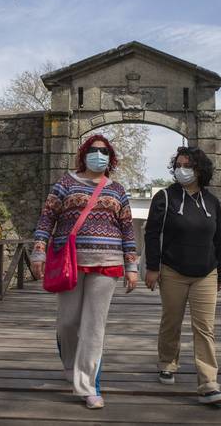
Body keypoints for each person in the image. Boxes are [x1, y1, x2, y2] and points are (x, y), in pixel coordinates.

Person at [30, 134, 138, 410]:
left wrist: (132, 266)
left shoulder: (117, 189)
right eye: (94, 150)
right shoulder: (65, 183)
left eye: (104, 151)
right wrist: (39, 250)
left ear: (110, 157)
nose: (99, 154)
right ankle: (71, 365)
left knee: (93, 326)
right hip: (71, 262)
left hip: (108, 262)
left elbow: (127, 229)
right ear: (84, 153)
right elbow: (47, 218)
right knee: (68, 322)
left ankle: (88, 386)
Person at [144, 146, 221, 406]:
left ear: (200, 170)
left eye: (188, 165)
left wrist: (220, 272)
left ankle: (208, 382)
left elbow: (219, 238)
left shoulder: (212, 202)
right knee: (172, 321)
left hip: (206, 273)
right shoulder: (164, 197)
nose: (182, 170)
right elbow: (151, 234)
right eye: (178, 165)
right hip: (172, 271)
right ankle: (168, 362)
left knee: (205, 328)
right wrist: (153, 267)